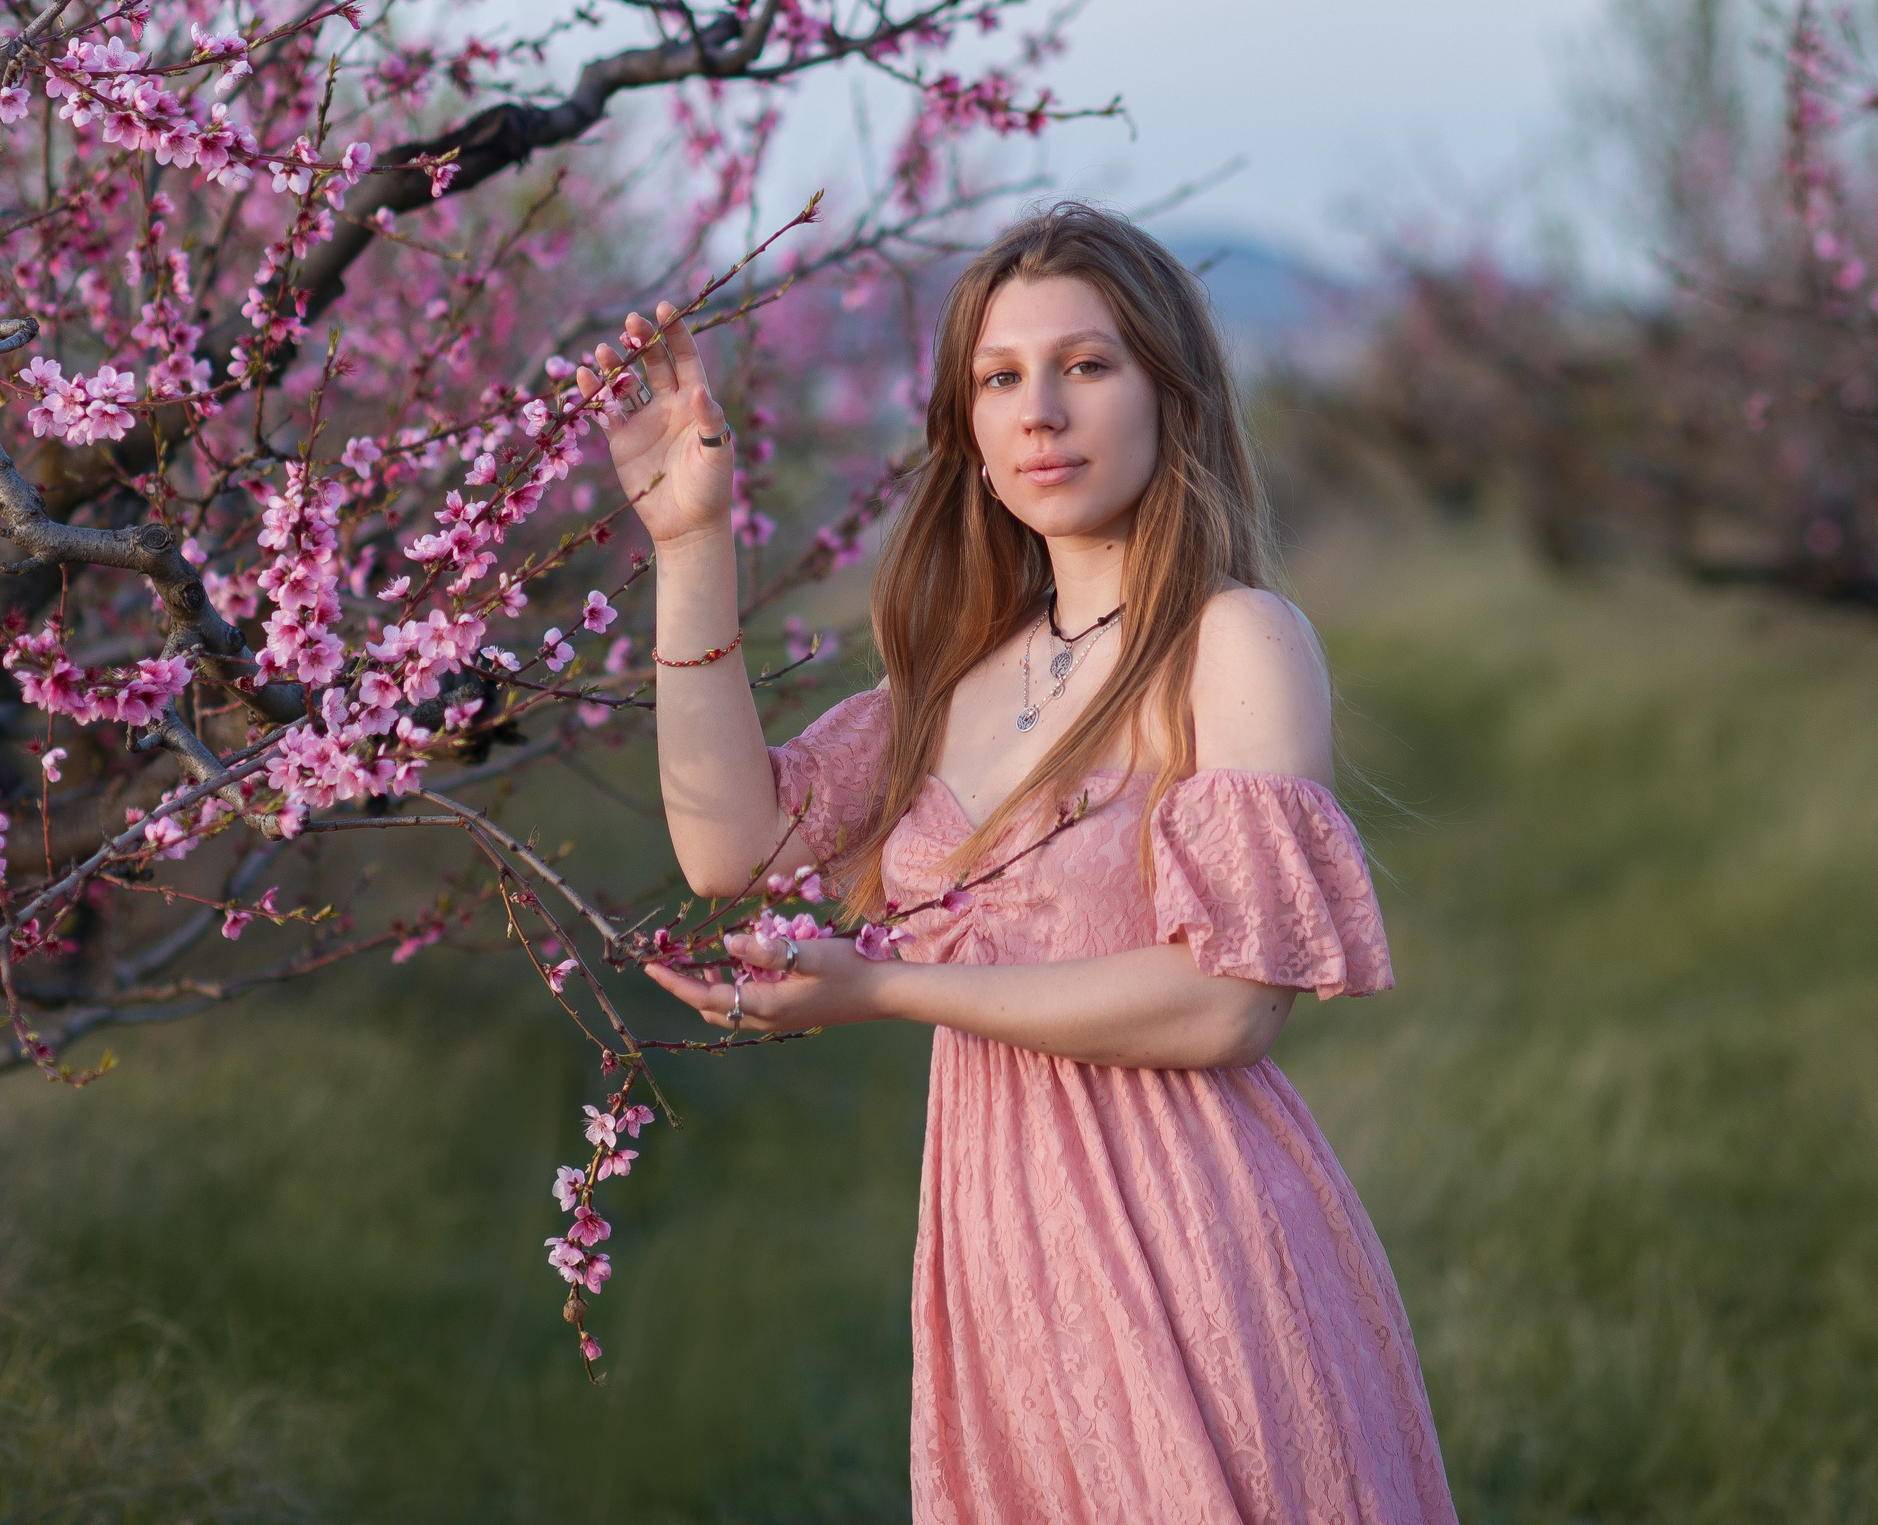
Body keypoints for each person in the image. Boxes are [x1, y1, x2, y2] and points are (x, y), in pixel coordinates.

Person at [574, 203, 1459, 1524]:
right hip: (1003, 1249)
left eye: (1088, 366)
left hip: (1198, 1233)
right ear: (971, 433)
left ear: (1176, 400)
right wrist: (691, 546)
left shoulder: (1235, 642)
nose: (1040, 409)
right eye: (1000, 378)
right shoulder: (953, 683)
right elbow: (728, 845)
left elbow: (1231, 1002)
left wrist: (883, 990)